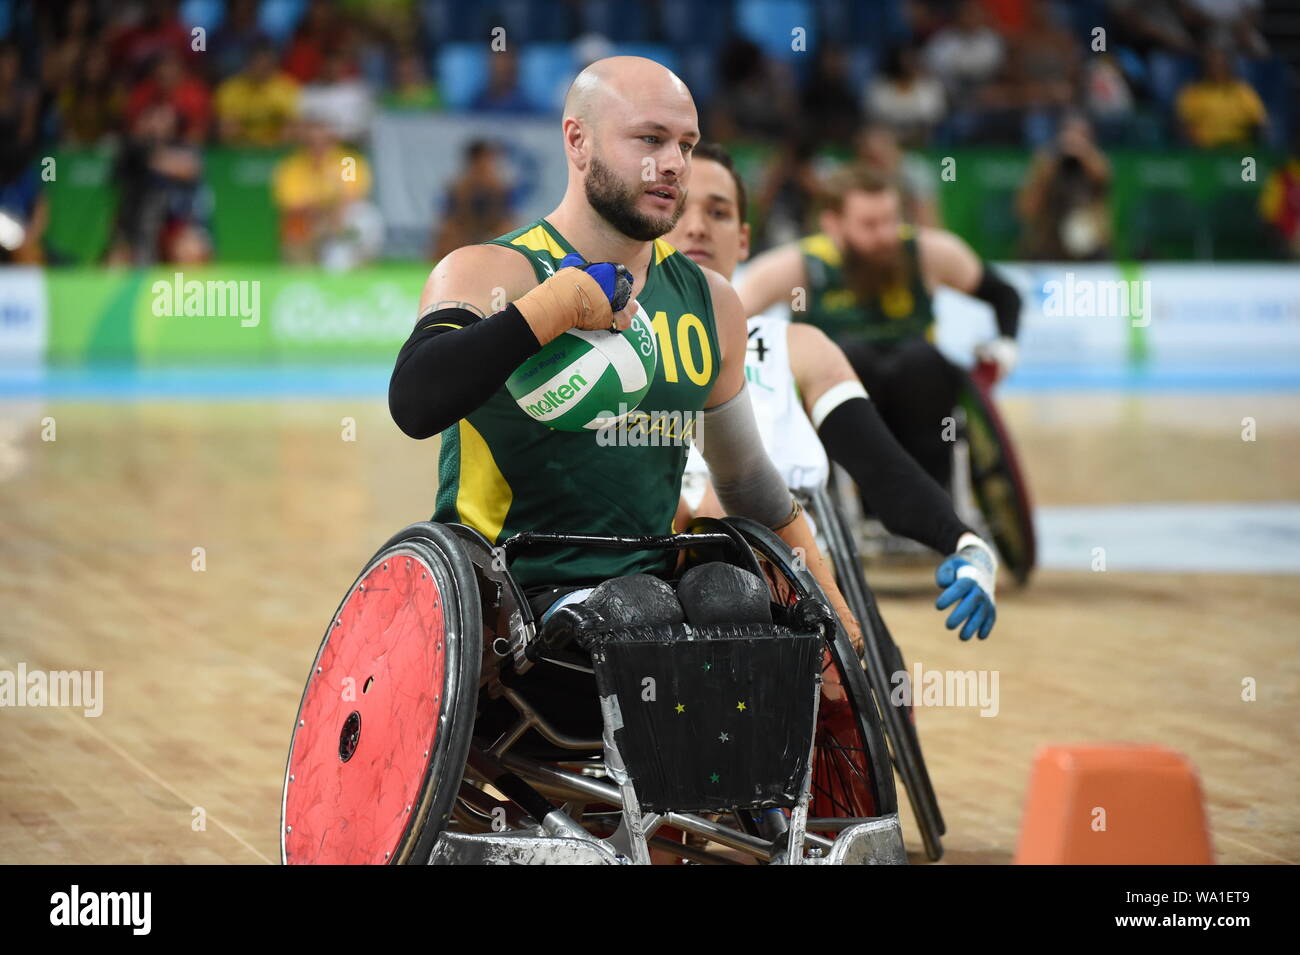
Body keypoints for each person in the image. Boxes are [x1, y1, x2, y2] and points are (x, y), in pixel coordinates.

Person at [389, 56, 869, 648]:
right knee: (640, 614)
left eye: (687, 146)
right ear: (578, 140)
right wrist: (554, 308)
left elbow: (744, 478)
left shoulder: (711, 302)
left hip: (654, 592)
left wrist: (832, 599)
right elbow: (415, 400)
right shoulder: (488, 272)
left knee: (734, 600)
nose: (674, 164)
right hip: (508, 601)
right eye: (651, 139)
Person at [669, 144, 998, 640]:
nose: (696, 226)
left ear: (742, 240)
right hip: (656, 571)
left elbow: (881, 468)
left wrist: (967, 543)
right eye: (679, 208)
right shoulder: (617, 345)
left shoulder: (798, 348)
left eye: (717, 211)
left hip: (783, 586)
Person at [736, 164, 1021, 496]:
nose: (885, 234)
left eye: (891, 220)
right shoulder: (795, 266)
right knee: (852, 357)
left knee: (923, 361)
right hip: (841, 393)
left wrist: (1005, 347)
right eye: (870, 225)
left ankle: (929, 494)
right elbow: (729, 318)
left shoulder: (929, 253)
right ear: (833, 224)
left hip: (918, 396)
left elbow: (1004, 295)